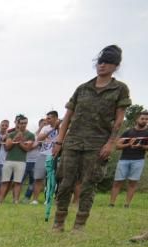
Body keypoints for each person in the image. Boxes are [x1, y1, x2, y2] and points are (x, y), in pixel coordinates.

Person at [52, 45, 131, 231]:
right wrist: (59, 141)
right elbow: (67, 117)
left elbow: (119, 120)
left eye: (108, 62)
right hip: (73, 141)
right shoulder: (83, 88)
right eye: (100, 62)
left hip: (98, 144)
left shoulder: (120, 89)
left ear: (116, 66)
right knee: (65, 182)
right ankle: (58, 222)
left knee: (89, 184)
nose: (102, 65)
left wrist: (111, 143)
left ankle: (79, 224)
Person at [110, 110, 148, 208]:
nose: (144, 121)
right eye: (142, 118)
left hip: (139, 160)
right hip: (124, 160)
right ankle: (111, 204)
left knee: (132, 182)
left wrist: (141, 146)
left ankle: (127, 205)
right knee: (117, 182)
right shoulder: (128, 132)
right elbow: (117, 145)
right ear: (137, 119)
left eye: (146, 119)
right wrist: (128, 144)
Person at [0, 116, 35, 204]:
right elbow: (7, 147)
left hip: (21, 161)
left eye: (25, 123)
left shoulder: (30, 135)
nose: (23, 125)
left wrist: (20, 141)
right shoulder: (11, 134)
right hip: (9, 160)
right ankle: (0, 200)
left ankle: (16, 201)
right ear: (17, 124)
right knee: (5, 181)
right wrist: (15, 139)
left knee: (18, 182)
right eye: (21, 123)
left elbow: (27, 149)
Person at [33, 111, 60, 203]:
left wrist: (58, 128)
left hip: (55, 155)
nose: (47, 120)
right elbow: (39, 138)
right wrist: (52, 130)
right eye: (47, 118)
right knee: (38, 177)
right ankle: (35, 200)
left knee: (52, 178)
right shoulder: (45, 128)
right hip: (43, 154)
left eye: (49, 118)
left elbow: (62, 137)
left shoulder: (62, 126)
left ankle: (48, 199)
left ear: (56, 118)